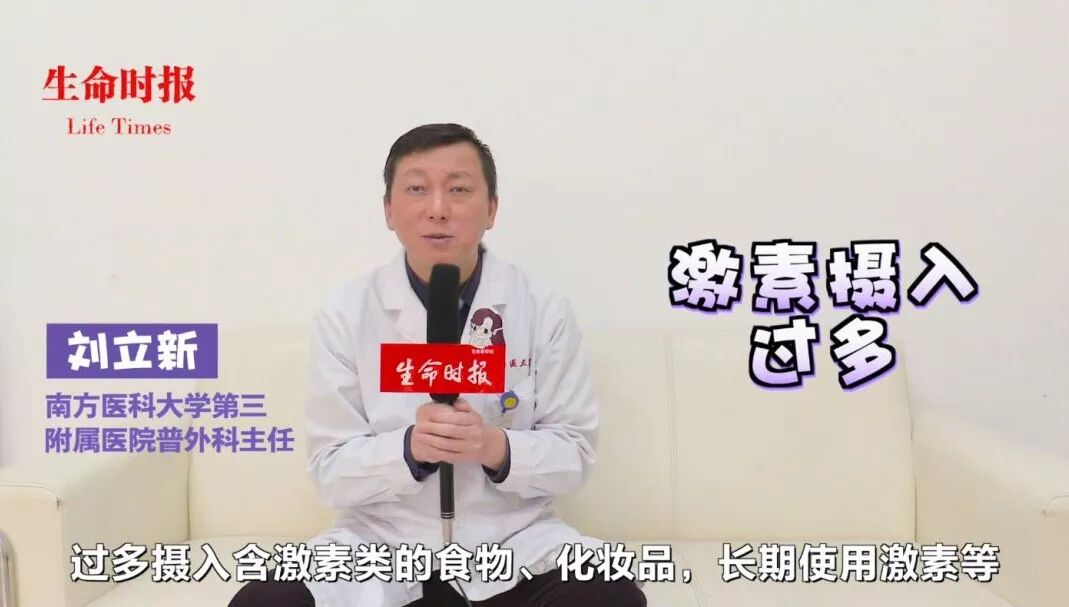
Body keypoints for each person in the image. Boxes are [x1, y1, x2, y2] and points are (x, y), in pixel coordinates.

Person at [229, 123, 646, 606]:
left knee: (610, 598)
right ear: (389, 210)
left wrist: (492, 445)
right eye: (416, 189)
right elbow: (331, 468)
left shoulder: (541, 307)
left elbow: (574, 454)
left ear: (491, 209)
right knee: (263, 603)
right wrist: (410, 449)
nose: (438, 209)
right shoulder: (346, 313)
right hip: (383, 546)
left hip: (512, 543)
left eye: (459, 189)